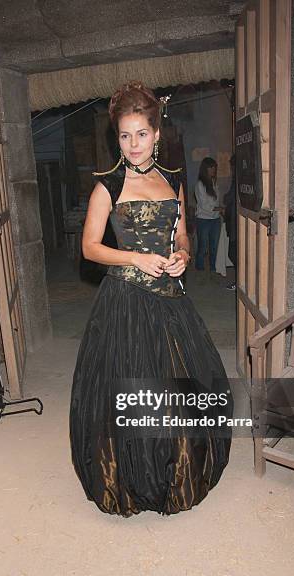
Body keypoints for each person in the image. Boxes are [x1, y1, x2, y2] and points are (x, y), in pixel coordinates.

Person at [69, 81, 233, 517]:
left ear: (157, 134)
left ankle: (174, 472)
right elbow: (89, 248)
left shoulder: (175, 180)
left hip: (170, 298)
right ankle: (133, 478)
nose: (134, 144)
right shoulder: (107, 186)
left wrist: (181, 255)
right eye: (125, 135)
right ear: (116, 137)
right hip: (124, 298)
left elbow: (182, 234)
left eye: (141, 133)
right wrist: (135, 258)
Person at [194, 158, 222, 272]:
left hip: (215, 219)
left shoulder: (214, 183)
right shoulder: (200, 184)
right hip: (203, 219)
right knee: (203, 247)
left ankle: (213, 267)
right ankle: (199, 268)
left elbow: (216, 201)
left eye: (214, 167)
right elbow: (204, 206)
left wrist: (218, 209)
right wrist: (218, 208)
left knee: (214, 246)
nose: (213, 170)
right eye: (211, 167)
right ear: (205, 169)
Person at [224, 155, 237, 291]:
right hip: (233, 220)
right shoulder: (236, 179)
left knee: (234, 253)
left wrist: (225, 199)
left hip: (236, 222)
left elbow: (229, 197)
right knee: (233, 253)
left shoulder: (239, 179)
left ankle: (239, 283)